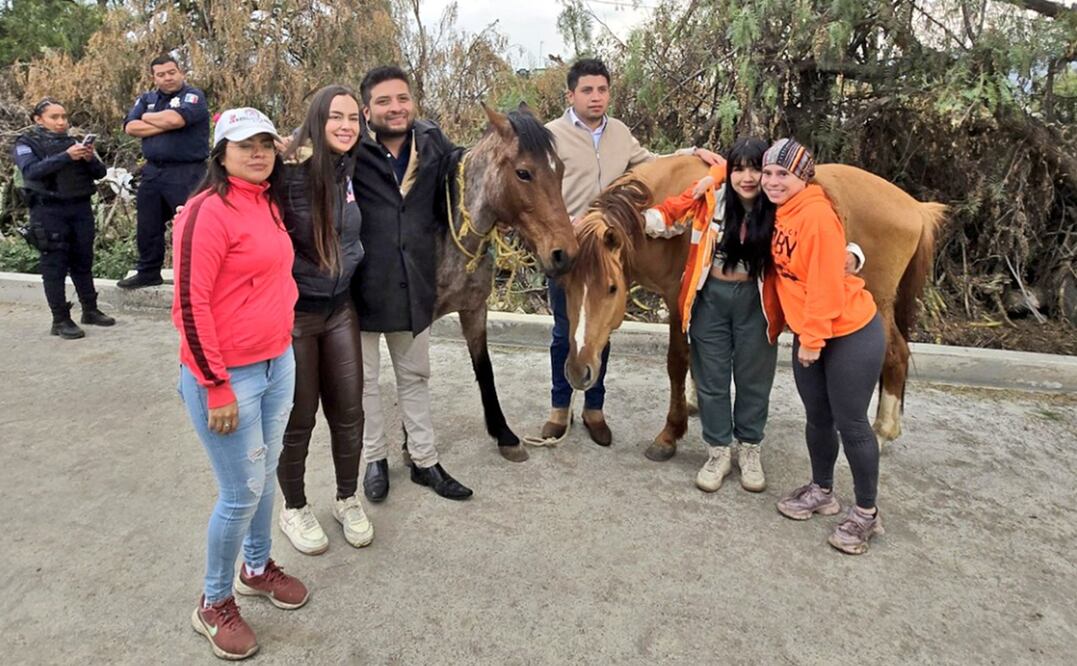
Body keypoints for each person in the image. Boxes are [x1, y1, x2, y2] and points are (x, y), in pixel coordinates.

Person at [642, 137, 863, 494]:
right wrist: (627, 220)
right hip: (709, 300)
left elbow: (826, 234)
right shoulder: (711, 198)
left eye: (756, 168)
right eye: (739, 168)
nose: (747, 177)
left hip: (758, 303)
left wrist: (853, 256)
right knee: (710, 381)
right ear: (729, 171)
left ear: (770, 173)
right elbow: (667, 215)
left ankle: (749, 450)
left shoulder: (781, 203)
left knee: (754, 381)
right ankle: (717, 452)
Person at [174, 107, 308, 660]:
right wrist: (216, 384)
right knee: (239, 492)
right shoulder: (206, 211)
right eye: (244, 144)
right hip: (228, 376)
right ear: (221, 152)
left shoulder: (269, 201)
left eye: (265, 144)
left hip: (279, 363)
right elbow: (189, 302)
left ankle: (256, 567)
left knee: (264, 474)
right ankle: (212, 601)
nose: (257, 153)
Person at [542, 58, 722, 446]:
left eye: (602, 90)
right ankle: (559, 408)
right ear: (570, 95)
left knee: (600, 328)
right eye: (587, 90)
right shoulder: (551, 136)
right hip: (572, 248)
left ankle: (594, 409)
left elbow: (652, 163)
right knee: (565, 330)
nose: (596, 97)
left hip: (608, 248)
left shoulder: (619, 133)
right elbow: (539, 193)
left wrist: (692, 153)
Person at [352, 65, 472, 502]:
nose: (395, 108)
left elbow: (468, 175)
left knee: (415, 377)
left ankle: (424, 461)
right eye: (383, 101)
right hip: (360, 289)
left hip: (413, 285)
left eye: (402, 98)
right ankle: (374, 460)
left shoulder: (434, 143)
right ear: (367, 110)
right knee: (364, 383)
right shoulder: (349, 150)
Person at [761, 138, 886, 555]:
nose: (773, 181)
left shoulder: (815, 215)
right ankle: (823, 490)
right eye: (768, 173)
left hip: (849, 331)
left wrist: (811, 341)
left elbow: (827, 287)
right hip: (810, 331)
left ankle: (867, 513)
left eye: (784, 174)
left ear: (803, 177)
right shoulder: (781, 211)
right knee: (817, 417)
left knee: (851, 423)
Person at [275, 85, 372, 555]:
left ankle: (347, 498)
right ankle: (293, 507)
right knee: (299, 418)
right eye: (336, 116)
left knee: (350, 412)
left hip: (339, 309)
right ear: (317, 118)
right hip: (296, 315)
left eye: (354, 117)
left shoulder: (346, 167)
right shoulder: (288, 171)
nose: (346, 126)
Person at [13, 98, 114, 338]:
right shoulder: (26, 143)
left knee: (83, 261)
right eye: (54, 117)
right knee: (54, 265)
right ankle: (60, 319)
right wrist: (66, 157)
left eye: (64, 117)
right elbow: (31, 171)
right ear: (39, 119)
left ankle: (90, 309)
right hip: (48, 211)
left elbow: (100, 173)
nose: (61, 122)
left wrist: (89, 158)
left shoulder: (73, 142)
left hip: (79, 208)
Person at [118, 55, 209, 289]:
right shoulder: (146, 98)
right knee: (148, 225)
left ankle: (196, 276)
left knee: (191, 226)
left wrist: (147, 119)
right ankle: (148, 272)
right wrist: (162, 122)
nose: (167, 78)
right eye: (161, 74)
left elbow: (177, 120)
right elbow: (130, 126)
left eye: (171, 72)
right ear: (154, 77)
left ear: (181, 72)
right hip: (153, 171)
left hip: (187, 172)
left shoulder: (193, 96)